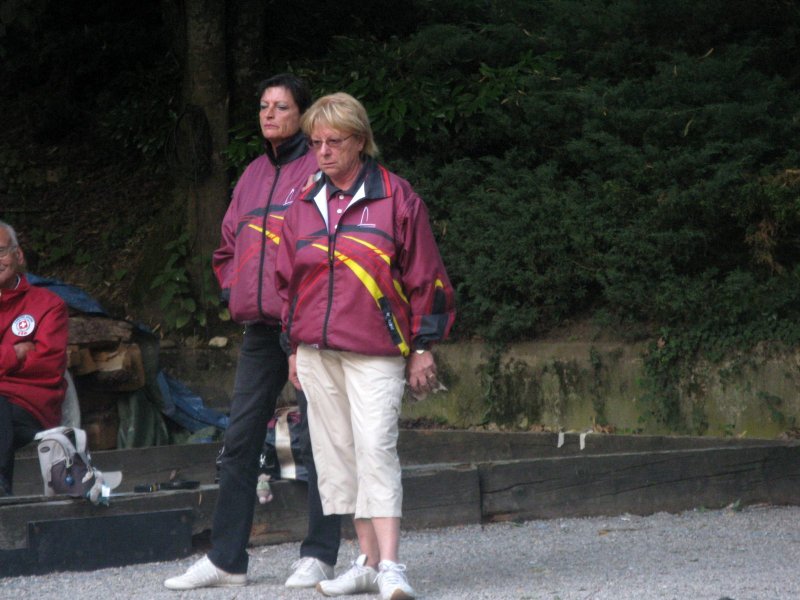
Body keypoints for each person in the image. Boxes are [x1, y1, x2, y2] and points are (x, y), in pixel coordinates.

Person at [164, 74, 341, 591]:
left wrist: (311, 307)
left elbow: (333, 246)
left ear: (303, 115)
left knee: (319, 439)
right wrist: (235, 288)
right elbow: (227, 246)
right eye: (264, 106)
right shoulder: (251, 175)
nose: (269, 114)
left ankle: (320, 555)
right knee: (239, 440)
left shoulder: (319, 170)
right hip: (261, 330)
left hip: (307, 325)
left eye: (281, 107)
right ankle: (227, 560)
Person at [275, 92, 456, 600]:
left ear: (360, 141)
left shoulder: (397, 197)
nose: (323, 152)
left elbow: (426, 276)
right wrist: (292, 348)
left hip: (376, 349)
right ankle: (367, 562)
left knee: (376, 447)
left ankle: (392, 565)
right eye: (316, 143)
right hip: (316, 352)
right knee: (340, 456)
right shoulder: (303, 203)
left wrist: (422, 346)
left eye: (334, 141)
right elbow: (287, 282)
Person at [0, 220, 69, 496]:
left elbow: (48, 366)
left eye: (0, 251)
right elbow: (26, 359)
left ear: (18, 255)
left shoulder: (48, 305)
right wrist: (14, 353)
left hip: (29, 407)